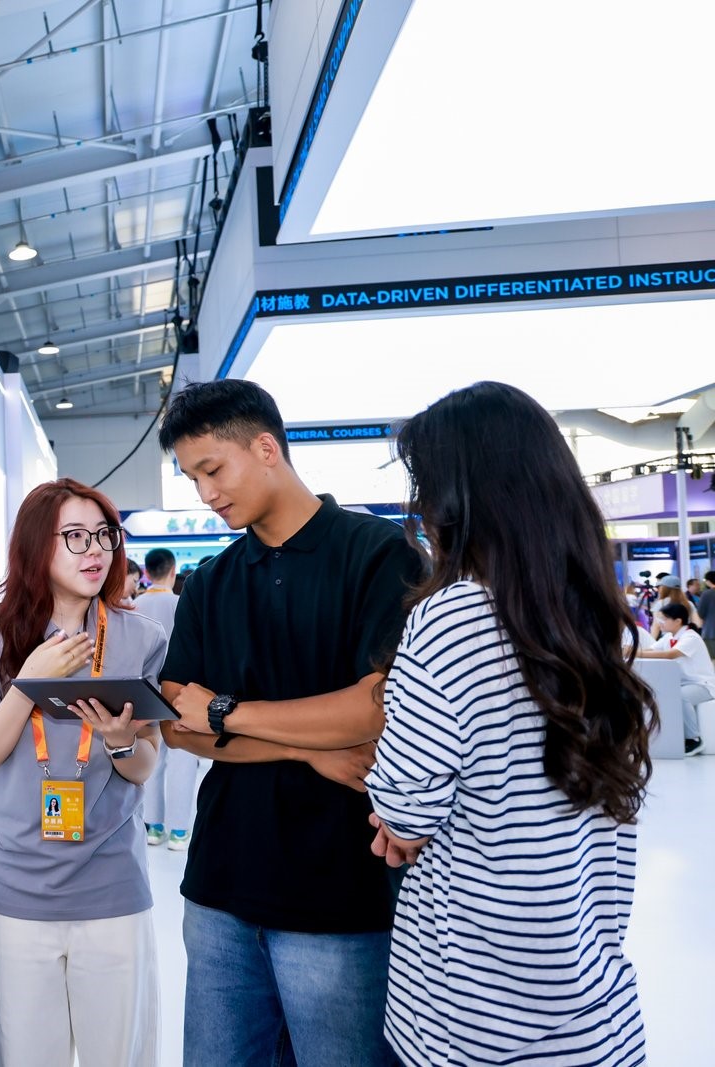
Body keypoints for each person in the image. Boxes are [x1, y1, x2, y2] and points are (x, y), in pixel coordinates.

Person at [366, 381, 651, 1064]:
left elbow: (404, 810)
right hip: (591, 1002)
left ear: (458, 501)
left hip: (475, 1013)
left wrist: (395, 824)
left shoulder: (451, 617)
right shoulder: (591, 613)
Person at [155, 379, 421, 1066]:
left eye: (213, 469)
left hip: (340, 892)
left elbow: (376, 708)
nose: (205, 494)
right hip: (219, 886)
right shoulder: (210, 580)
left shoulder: (377, 553)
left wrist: (227, 712)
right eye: (192, 478)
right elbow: (176, 725)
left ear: (266, 448)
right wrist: (307, 749)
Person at [0, 478, 169, 1067]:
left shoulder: (140, 637)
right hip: (17, 891)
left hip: (112, 886)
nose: (95, 550)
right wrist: (28, 683)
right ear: (34, 545)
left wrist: (121, 743)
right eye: (74, 536)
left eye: (104, 535)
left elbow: (145, 764)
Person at [133, 548, 199, 850]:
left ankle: (153, 826)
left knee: (152, 756)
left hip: (144, 690)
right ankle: (179, 831)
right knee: (183, 758)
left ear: (147, 572)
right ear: (172, 571)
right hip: (182, 691)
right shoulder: (182, 602)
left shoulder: (134, 605)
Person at [637, 600, 714, 755]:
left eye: (664, 619)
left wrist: (636, 653)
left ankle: (694, 739)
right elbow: (652, 650)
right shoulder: (668, 637)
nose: (660, 623)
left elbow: (670, 654)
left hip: (703, 685)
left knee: (681, 696)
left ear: (678, 621)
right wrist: (632, 650)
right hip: (683, 684)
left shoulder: (691, 637)